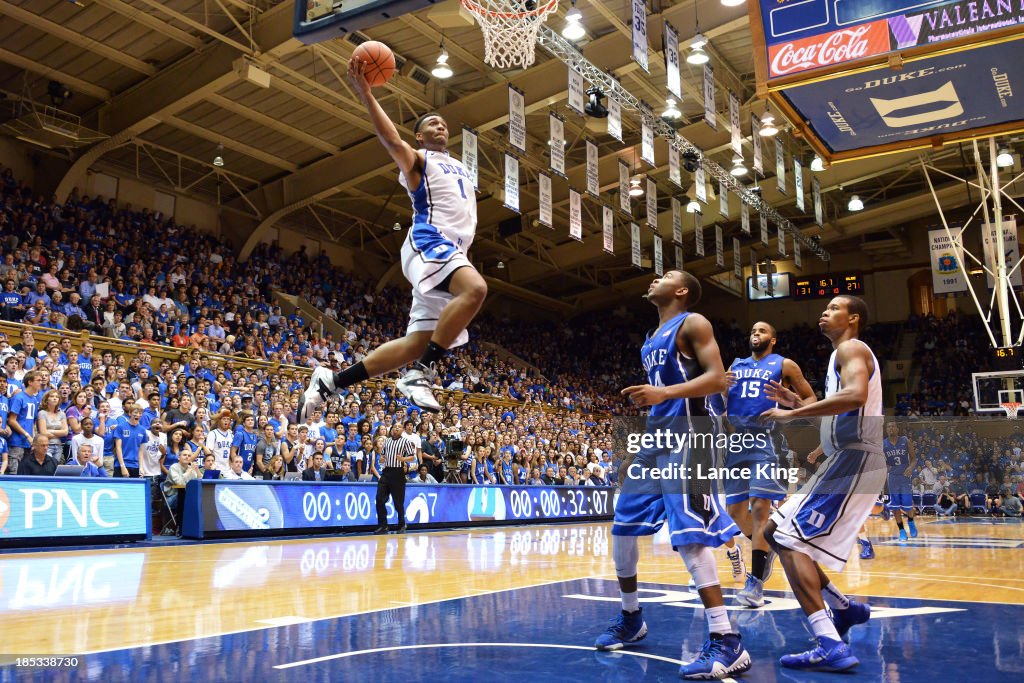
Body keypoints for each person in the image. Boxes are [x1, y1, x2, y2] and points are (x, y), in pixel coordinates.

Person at [294, 57, 489, 421]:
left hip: (453, 251)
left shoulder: (459, 166)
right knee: (475, 290)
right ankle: (420, 374)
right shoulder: (419, 161)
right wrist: (366, 93)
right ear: (419, 136)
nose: (440, 124)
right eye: (431, 122)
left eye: (443, 122)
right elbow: (390, 139)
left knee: (417, 342)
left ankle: (330, 382)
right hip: (429, 242)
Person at [594, 271, 750, 680]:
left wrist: (663, 394)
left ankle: (725, 638)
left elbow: (717, 378)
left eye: (665, 276)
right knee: (622, 529)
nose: (654, 279)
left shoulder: (693, 323)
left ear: (680, 291)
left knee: (688, 536)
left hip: (693, 437)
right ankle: (631, 618)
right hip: (656, 439)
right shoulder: (650, 336)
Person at [760, 295, 884, 672]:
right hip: (841, 459)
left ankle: (829, 643)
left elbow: (856, 396)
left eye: (833, 308)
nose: (823, 313)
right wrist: (796, 401)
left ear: (854, 318)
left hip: (854, 460)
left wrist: (789, 411)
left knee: (787, 540)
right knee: (771, 531)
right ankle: (843, 610)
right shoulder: (839, 358)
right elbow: (838, 414)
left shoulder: (851, 347)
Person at [725, 321, 816, 608]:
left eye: (762, 331)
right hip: (737, 443)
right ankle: (767, 548)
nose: (756, 334)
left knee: (760, 507)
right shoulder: (736, 365)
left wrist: (787, 408)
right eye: (752, 330)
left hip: (769, 441)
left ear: (773, 339)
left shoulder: (784, 364)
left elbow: (811, 401)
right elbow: (722, 397)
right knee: (736, 513)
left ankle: (755, 585)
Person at [375, 423, 417, 534]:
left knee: (398, 502)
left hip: (398, 473)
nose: (397, 428)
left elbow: (412, 457)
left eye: (399, 427)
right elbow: (382, 457)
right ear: (392, 429)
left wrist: (403, 459)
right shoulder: (387, 441)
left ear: (402, 430)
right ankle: (383, 525)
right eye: (395, 427)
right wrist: (382, 459)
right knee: (379, 499)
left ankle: (402, 524)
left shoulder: (406, 442)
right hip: (386, 472)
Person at [883, 421, 918, 541]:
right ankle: (902, 531)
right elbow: (882, 463)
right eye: (888, 426)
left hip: (905, 476)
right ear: (886, 430)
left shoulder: (905, 440)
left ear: (897, 429)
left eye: (893, 426)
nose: (891, 428)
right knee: (895, 507)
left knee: (908, 505)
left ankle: (911, 522)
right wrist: (886, 467)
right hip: (892, 478)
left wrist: (910, 467)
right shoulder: (883, 444)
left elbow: (914, 459)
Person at [7, 369, 44, 474]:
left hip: (28, 442)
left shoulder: (34, 400)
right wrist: (26, 434)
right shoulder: (19, 398)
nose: (40, 382)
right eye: (38, 380)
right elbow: (12, 420)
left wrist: (33, 437)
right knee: (14, 472)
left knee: (25, 473)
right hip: (16, 441)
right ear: (30, 382)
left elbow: (32, 422)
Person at [36, 390, 70, 463]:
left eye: (57, 397)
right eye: (52, 396)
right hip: (45, 445)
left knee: (55, 467)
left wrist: (51, 431)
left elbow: (65, 432)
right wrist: (59, 433)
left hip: (58, 445)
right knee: (47, 467)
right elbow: (43, 433)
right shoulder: (42, 413)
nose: (55, 398)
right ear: (47, 399)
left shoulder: (62, 414)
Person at [114, 406, 148, 478]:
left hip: (135, 466)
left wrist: (141, 467)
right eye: (135, 412)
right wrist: (123, 466)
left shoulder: (142, 430)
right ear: (130, 413)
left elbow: (141, 451)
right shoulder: (121, 427)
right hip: (121, 464)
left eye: (140, 413)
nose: (138, 415)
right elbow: (118, 448)